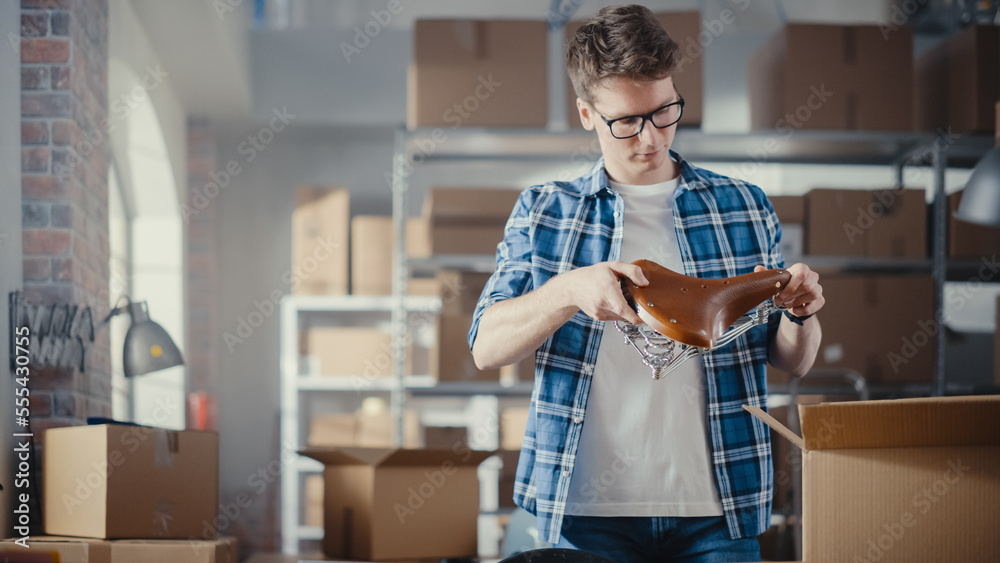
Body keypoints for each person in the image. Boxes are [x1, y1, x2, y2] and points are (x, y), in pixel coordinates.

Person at [467, 5, 824, 562]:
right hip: (586, 511)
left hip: (720, 507)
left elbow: (791, 360)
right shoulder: (544, 212)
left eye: (665, 112)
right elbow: (487, 347)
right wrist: (568, 291)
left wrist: (801, 315)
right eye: (627, 121)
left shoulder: (742, 206)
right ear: (587, 114)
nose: (651, 137)